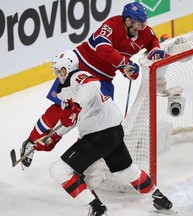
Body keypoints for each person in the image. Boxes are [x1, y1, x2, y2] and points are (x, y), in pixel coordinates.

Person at [20, 2, 169, 167]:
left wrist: (154, 51)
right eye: (138, 23)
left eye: (144, 23)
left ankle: (81, 161)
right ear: (128, 21)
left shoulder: (144, 31)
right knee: (59, 109)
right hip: (80, 67)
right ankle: (31, 143)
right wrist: (123, 64)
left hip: (103, 80)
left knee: (99, 123)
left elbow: (153, 42)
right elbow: (102, 47)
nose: (142, 27)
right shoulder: (112, 25)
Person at [33, 50, 173, 216]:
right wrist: (55, 136)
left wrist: (77, 105)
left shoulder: (79, 76)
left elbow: (93, 84)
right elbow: (72, 119)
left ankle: (95, 207)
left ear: (67, 68)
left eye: (59, 70)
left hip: (99, 133)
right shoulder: (64, 92)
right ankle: (159, 198)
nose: (57, 74)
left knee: (59, 170)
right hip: (112, 132)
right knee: (127, 171)